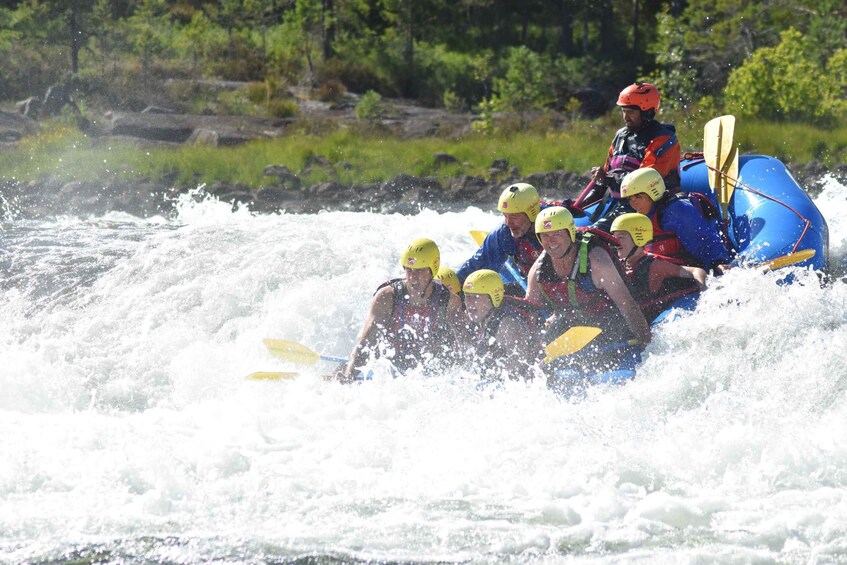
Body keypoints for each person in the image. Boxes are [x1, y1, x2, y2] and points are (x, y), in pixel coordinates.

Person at [525, 206, 651, 374]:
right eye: (546, 236)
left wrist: (648, 345)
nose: (551, 241)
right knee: (539, 355)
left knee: (579, 360)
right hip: (573, 322)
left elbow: (627, 306)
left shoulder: (597, 261)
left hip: (611, 322)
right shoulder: (539, 270)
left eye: (557, 234)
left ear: (570, 233)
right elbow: (529, 314)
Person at [335, 238, 463, 381]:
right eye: (409, 270)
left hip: (428, 374)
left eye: (419, 271)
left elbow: (460, 348)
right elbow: (365, 345)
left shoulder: (449, 302)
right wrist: (349, 376)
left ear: (432, 270)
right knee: (345, 372)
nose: (413, 277)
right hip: (387, 368)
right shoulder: (386, 298)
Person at [574, 82, 681, 229]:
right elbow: (605, 178)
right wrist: (578, 206)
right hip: (620, 204)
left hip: (649, 206)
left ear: (647, 112)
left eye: (631, 112)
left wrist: (608, 179)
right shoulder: (621, 136)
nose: (625, 117)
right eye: (624, 111)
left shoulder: (663, 139)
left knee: (591, 237)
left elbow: (644, 182)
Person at [620, 167, 732, 274]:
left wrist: (718, 263)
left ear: (653, 192)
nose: (633, 203)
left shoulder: (677, 210)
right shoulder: (640, 216)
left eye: (638, 196)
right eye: (630, 198)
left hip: (690, 271)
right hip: (663, 271)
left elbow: (704, 241)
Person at [610, 212, 707, 322]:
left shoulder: (655, 265)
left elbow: (696, 271)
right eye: (614, 237)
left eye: (621, 237)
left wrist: (704, 293)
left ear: (639, 238)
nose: (615, 242)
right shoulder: (619, 264)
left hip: (651, 317)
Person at [460, 269, 546, 380]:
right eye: (467, 296)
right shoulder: (480, 315)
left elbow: (519, 367)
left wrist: (486, 376)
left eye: (476, 297)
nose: (469, 303)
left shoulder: (508, 325)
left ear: (493, 298)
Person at [456, 183, 544, 289]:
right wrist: (455, 282)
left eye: (514, 216)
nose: (508, 222)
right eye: (505, 215)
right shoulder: (505, 232)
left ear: (532, 213)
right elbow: (479, 263)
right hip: (526, 278)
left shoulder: (557, 227)